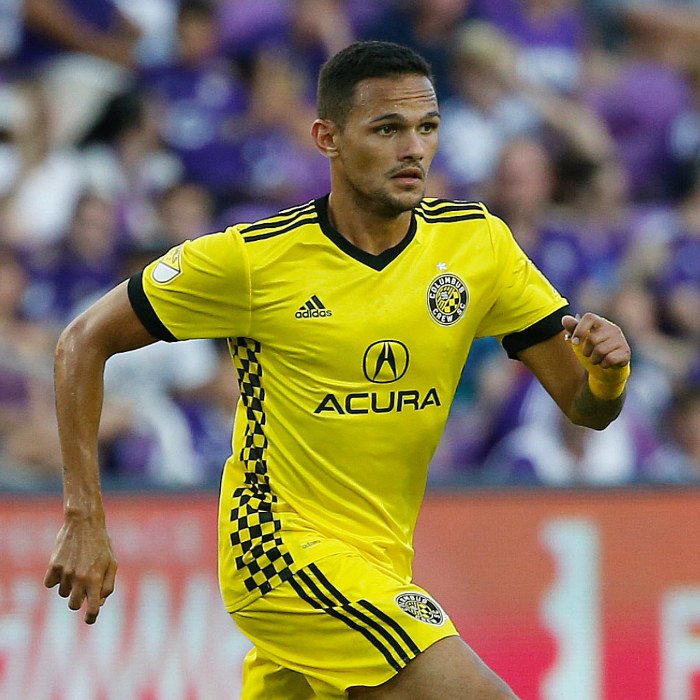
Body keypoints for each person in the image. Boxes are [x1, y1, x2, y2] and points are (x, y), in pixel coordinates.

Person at [44, 41, 631, 699]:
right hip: (277, 556)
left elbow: (585, 408)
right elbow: (81, 342)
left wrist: (607, 375)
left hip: (379, 561)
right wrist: (83, 514)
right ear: (328, 138)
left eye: (427, 127)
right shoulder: (254, 260)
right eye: (387, 129)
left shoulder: (477, 245)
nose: (413, 149)